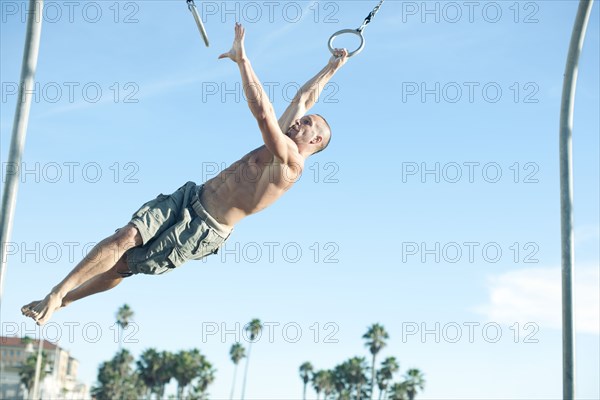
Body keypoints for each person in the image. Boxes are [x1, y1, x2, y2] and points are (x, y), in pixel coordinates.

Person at [22, 23, 348, 325]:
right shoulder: (287, 137)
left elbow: (263, 113)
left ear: (315, 141)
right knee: (125, 236)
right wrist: (332, 67)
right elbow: (305, 96)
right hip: (192, 195)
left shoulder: (290, 164)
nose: (300, 120)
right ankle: (57, 292)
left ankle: (68, 300)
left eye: (308, 123)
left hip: (203, 228)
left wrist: (242, 61)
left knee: (125, 265)